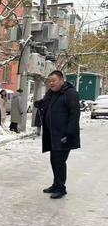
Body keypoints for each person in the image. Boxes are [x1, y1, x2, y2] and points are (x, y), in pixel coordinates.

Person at [35, 70, 80, 199]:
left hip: (64, 135)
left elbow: (74, 115)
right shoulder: (52, 93)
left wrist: (69, 133)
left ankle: (61, 188)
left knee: (59, 161)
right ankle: (56, 184)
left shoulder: (70, 93)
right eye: (49, 81)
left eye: (53, 80)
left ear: (62, 80)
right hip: (52, 134)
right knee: (54, 160)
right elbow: (47, 103)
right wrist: (39, 103)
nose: (51, 83)